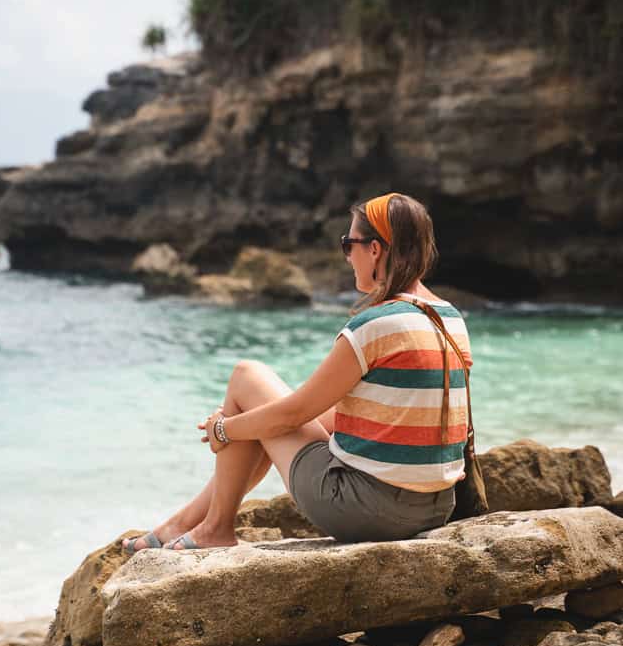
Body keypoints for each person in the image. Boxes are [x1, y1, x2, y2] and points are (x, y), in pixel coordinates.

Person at [123, 192, 472, 553]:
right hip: (434, 508)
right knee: (264, 417)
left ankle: (214, 528)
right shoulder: (451, 319)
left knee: (246, 376)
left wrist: (223, 429)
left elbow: (292, 414)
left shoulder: (376, 324)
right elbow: (354, 413)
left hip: (366, 510)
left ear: (374, 250)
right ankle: (186, 523)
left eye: (348, 244)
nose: (347, 256)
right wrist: (251, 422)